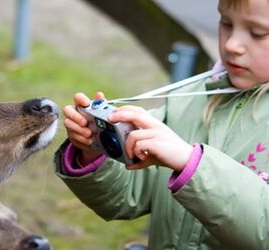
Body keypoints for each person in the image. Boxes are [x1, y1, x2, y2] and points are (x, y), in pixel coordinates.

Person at [54, 0, 269, 249]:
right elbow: (126, 197)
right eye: (226, 23)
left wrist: (192, 165)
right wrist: (96, 150)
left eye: (258, 33)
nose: (232, 44)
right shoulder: (192, 98)